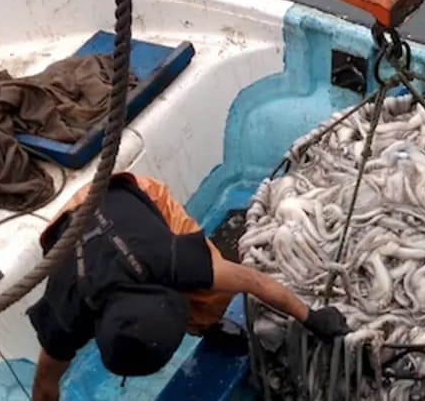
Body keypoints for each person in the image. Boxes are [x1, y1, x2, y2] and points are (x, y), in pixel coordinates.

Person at [25, 171, 351, 401]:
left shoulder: (168, 258)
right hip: (67, 226)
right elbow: (44, 386)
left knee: (213, 293)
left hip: (124, 192)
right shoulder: (66, 314)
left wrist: (311, 317)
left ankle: (208, 324)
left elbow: (252, 280)